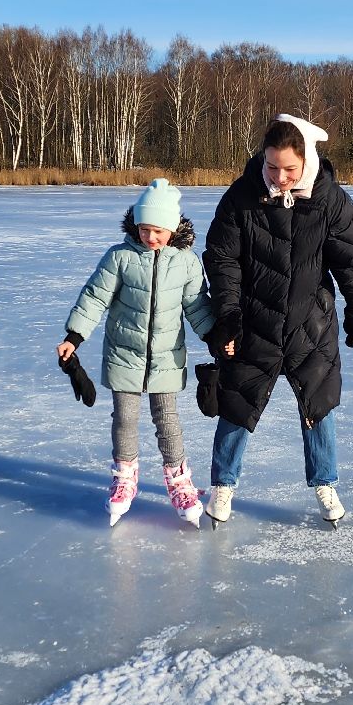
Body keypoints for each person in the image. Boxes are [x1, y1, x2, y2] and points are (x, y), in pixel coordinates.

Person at [202, 115, 353, 526]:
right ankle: (222, 486)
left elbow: (350, 263)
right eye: (271, 166)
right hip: (253, 320)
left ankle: (325, 483)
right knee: (237, 405)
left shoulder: (330, 200)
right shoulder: (242, 196)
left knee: (319, 405)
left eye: (289, 169)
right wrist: (226, 315)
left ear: (306, 161)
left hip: (309, 324)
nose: (279, 176)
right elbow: (222, 258)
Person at [59, 179, 216, 526]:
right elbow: (95, 296)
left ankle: (179, 482)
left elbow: (197, 307)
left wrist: (216, 340)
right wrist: (75, 335)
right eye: (144, 229)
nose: (150, 237)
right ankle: (124, 479)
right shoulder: (121, 256)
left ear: (172, 229)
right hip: (123, 353)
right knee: (125, 418)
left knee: (167, 420)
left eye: (158, 230)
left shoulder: (187, 263)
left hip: (166, 357)